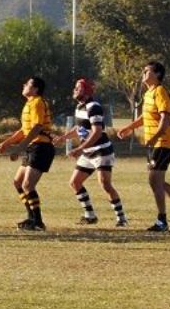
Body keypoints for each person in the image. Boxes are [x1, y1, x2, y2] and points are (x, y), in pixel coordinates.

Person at [117, 61, 170, 232]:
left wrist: (154, 138)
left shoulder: (160, 92)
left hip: (165, 142)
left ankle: (162, 221)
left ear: (157, 75)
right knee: (157, 181)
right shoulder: (149, 94)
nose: (143, 74)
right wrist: (129, 128)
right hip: (158, 143)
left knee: (154, 180)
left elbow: (165, 119)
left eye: (147, 71)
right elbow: (146, 118)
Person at [53, 78, 128, 227]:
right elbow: (79, 128)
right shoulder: (80, 107)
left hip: (101, 151)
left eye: (78, 88)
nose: (74, 90)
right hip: (88, 152)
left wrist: (79, 149)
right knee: (75, 183)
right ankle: (90, 216)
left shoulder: (93, 107)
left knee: (105, 184)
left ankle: (121, 218)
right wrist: (63, 137)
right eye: (75, 87)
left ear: (87, 91)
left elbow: (97, 132)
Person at [0, 77, 55, 231]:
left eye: (27, 84)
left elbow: (36, 128)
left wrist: (20, 147)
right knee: (18, 182)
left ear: (35, 89)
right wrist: (7, 143)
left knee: (28, 184)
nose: (23, 85)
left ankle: (38, 222)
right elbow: (24, 130)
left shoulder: (37, 102)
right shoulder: (29, 103)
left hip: (41, 147)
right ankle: (31, 218)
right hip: (33, 146)